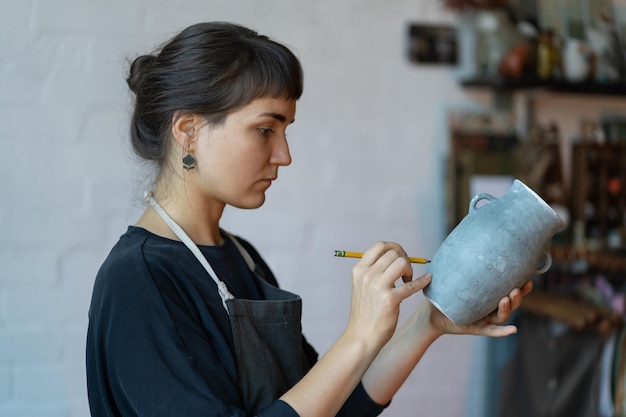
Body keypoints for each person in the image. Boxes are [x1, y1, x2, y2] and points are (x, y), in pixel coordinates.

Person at [86, 21, 533, 417]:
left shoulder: (242, 257)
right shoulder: (138, 280)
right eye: (265, 129)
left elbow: (331, 407)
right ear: (188, 131)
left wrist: (427, 323)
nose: (284, 155)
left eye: (285, 131)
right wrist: (358, 335)